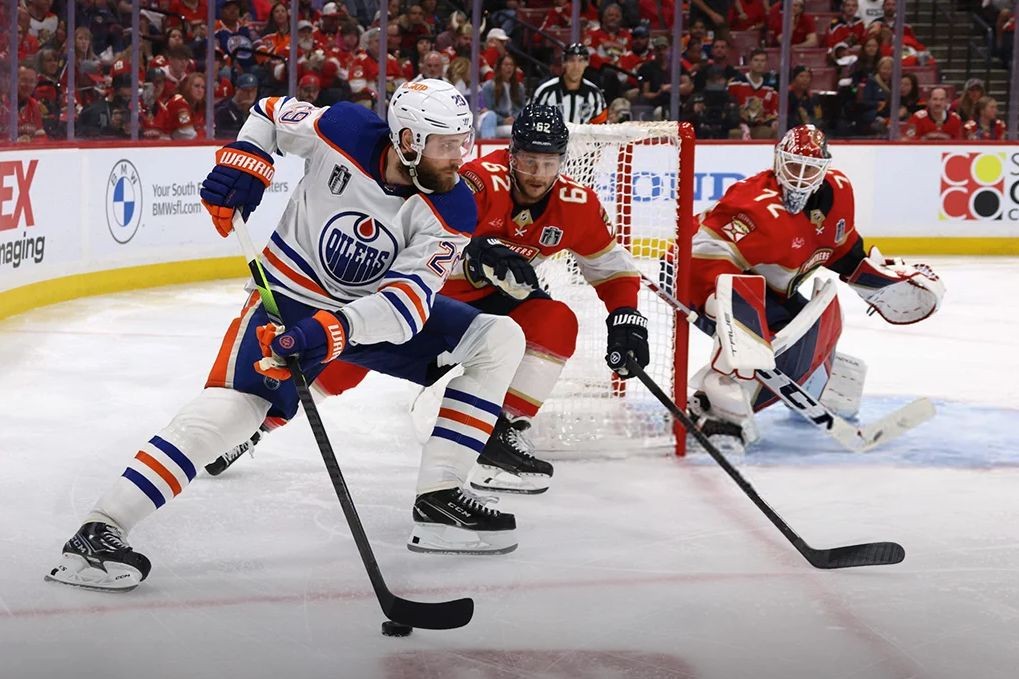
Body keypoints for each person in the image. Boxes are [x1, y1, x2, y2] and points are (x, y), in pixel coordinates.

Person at [46, 79, 528, 591]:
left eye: (462, 142)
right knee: (234, 409)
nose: (460, 157)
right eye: (446, 145)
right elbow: (271, 113)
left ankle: (440, 499)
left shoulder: (452, 207)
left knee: (497, 339)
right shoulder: (343, 128)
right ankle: (100, 530)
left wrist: (339, 329)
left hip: (366, 318)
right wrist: (248, 158)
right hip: (288, 302)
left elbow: (407, 304)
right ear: (408, 140)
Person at [206, 106, 652, 497]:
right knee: (342, 365)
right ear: (511, 155)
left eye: (548, 162)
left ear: (563, 162)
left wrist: (626, 314)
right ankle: (255, 426)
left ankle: (501, 431)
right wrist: (475, 252)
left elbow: (610, 266)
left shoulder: (577, 205)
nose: (537, 173)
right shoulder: (476, 182)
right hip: (435, 303)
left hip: (497, 312)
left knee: (557, 320)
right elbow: (429, 238)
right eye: (528, 160)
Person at [662, 125, 944, 454]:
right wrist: (728, 309)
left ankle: (786, 390)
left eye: (809, 169)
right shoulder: (753, 205)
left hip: (759, 281)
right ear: (778, 161)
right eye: (793, 166)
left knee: (811, 339)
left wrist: (875, 276)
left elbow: (839, 248)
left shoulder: (839, 192)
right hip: (688, 271)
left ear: (824, 169)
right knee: (751, 343)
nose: (799, 177)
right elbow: (703, 256)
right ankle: (717, 414)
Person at [531, 43, 608, 125]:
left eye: (581, 61)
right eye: (571, 60)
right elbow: (531, 123)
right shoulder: (545, 91)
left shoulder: (595, 94)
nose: (576, 67)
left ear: (587, 63)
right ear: (564, 62)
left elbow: (600, 127)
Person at [214, 72, 260, 138]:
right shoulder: (223, 110)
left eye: (253, 91)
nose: (250, 94)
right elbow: (220, 134)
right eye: (246, 90)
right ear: (237, 90)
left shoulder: (258, 110)